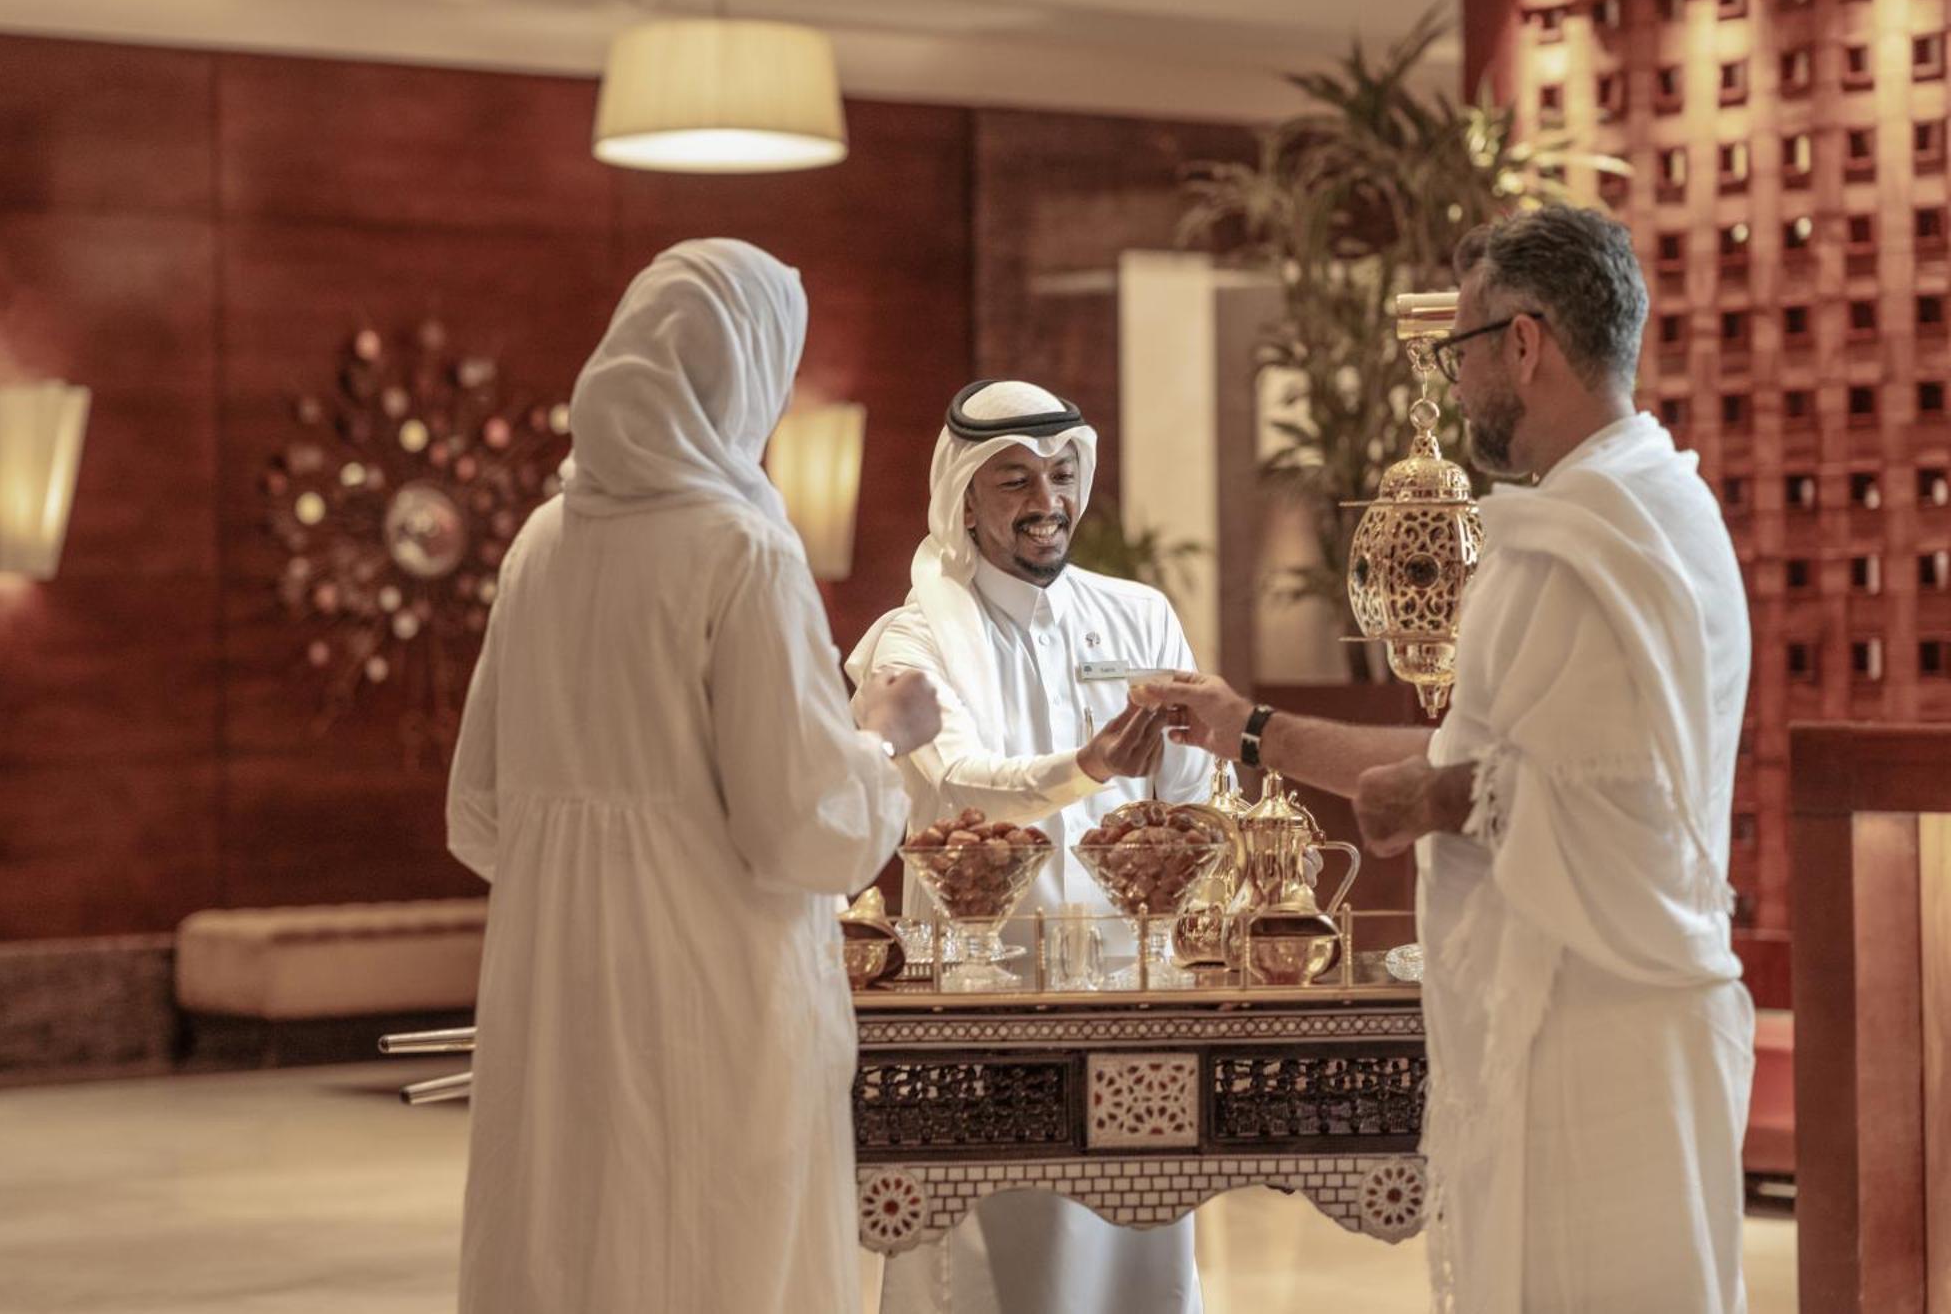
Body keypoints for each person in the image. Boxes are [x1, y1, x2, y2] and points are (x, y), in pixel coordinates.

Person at [1141, 204, 1755, 1313]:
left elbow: (1590, 790)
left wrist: (1432, 795)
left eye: (1462, 351)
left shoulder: (1587, 532)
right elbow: (1495, 757)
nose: (1458, 382)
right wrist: (1241, 726)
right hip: (1611, 1005)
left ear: (1523, 342)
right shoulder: (1657, 507)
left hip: (1590, 1020)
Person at [446, 238, 940, 1314]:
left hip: (552, 985)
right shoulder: (741, 551)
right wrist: (882, 735)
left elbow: (479, 810)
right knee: (707, 1242)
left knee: (570, 1238)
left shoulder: (539, 543)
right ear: (746, 376)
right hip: (712, 983)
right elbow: (800, 825)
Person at [847, 378, 1210, 1314]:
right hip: (981, 1003)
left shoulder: (1140, 617)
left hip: (1132, 1001)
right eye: (1013, 480)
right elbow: (961, 776)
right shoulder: (911, 635)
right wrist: (1085, 766)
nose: (1046, 501)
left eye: (1059, 473)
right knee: (984, 1267)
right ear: (963, 493)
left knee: (1138, 1257)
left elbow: (1194, 799)